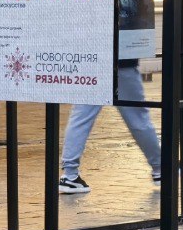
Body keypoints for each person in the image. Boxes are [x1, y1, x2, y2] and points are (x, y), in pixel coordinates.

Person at [59, 59, 162, 194]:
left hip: (92, 62)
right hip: (122, 64)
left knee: (80, 118)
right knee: (137, 117)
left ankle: (70, 174)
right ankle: (160, 167)